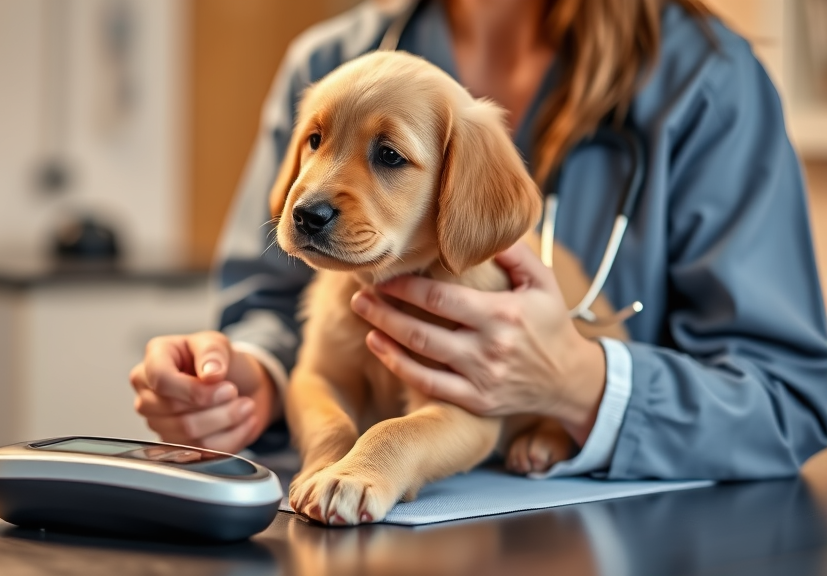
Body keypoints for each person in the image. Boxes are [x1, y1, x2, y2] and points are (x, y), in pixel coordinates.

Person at [129, 0, 827, 480]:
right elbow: (274, 304)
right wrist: (247, 379)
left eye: (390, 157)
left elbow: (789, 400)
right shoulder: (333, 56)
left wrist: (580, 385)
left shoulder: (706, 80)